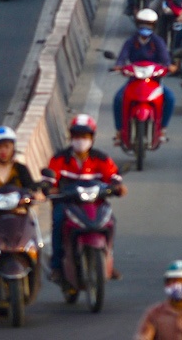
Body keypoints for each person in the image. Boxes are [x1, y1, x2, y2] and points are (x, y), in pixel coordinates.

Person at [43, 116, 124, 285]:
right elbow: (50, 181)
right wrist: (50, 189)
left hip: (95, 204)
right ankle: (57, 266)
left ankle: (108, 261)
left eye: (85, 136)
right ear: (71, 137)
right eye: (77, 136)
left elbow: (114, 176)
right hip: (67, 204)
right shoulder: (59, 159)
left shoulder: (101, 158)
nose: (81, 140)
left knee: (110, 222)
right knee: (58, 223)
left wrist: (117, 187)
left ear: (92, 138)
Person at [112, 9, 176, 142]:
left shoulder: (158, 41)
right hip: (134, 80)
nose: (145, 27)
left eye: (149, 24)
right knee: (118, 99)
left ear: (154, 25)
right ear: (137, 24)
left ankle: (162, 129)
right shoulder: (131, 41)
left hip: (154, 81)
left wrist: (169, 66)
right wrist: (118, 65)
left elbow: (165, 59)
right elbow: (122, 57)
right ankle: (119, 131)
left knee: (170, 99)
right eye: (142, 23)